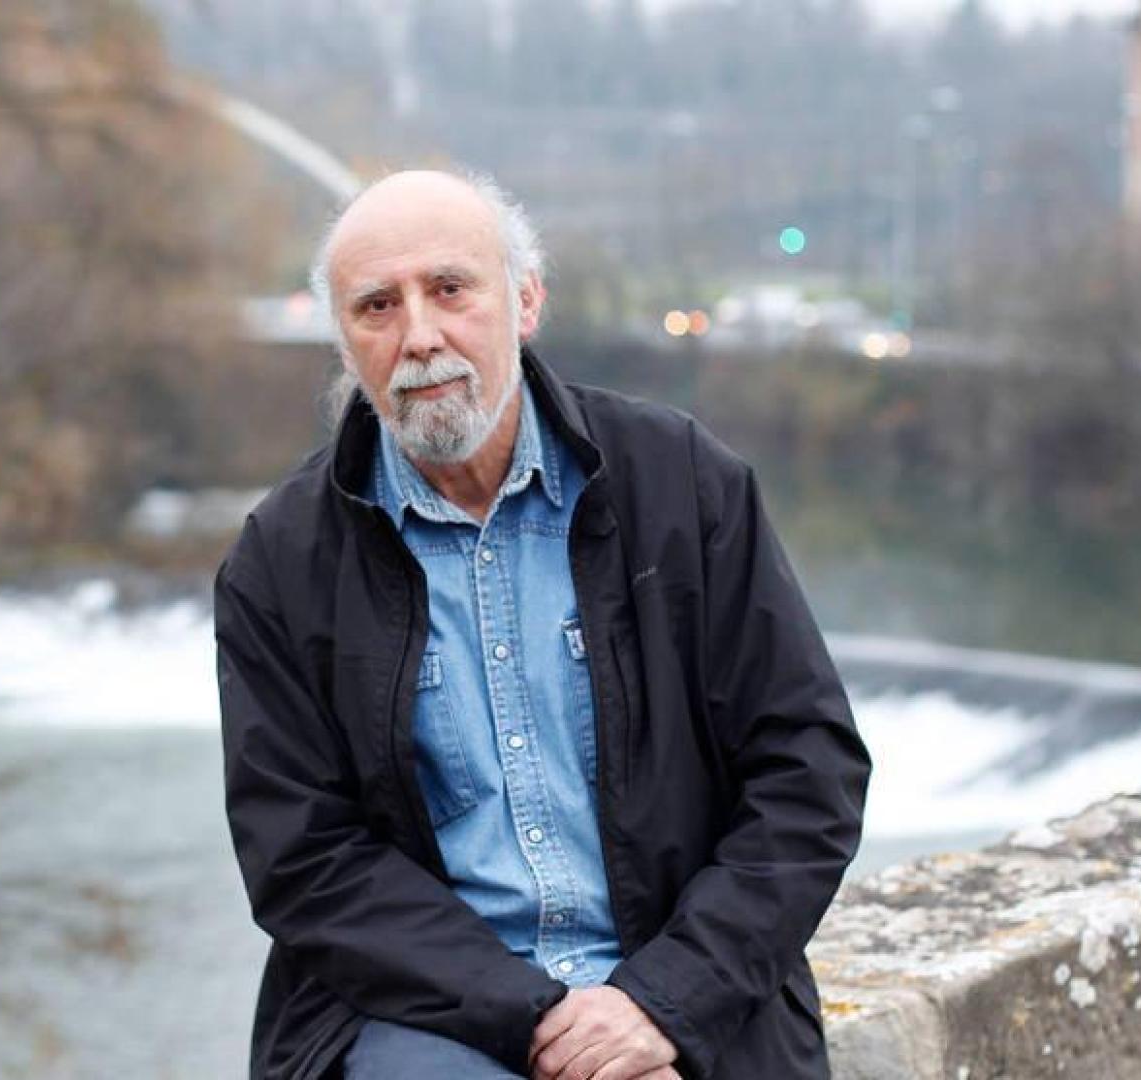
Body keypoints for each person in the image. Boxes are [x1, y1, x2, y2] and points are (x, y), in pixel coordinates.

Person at [213, 168, 871, 1080]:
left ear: (525, 301)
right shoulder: (281, 561)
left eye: (450, 288)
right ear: (345, 343)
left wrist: (664, 1000)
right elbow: (304, 859)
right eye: (376, 306)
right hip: (430, 1015)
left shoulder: (681, 484)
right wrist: (540, 1022)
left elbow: (808, 771)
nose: (419, 336)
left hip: (686, 989)